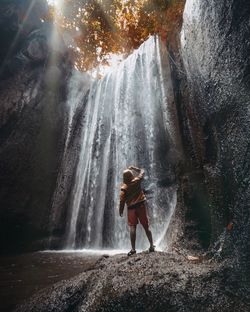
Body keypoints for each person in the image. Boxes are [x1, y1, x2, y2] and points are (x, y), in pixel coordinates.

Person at [119, 165, 155, 256]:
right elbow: (142, 171)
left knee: (132, 227)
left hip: (131, 209)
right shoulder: (137, 181)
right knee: (146, 226)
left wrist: (121, 210)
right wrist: (134, 168)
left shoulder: (124, 188)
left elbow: (122, 201)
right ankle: (151, 246)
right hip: (141, 206)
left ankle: (133, 249)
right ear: (131, 176)